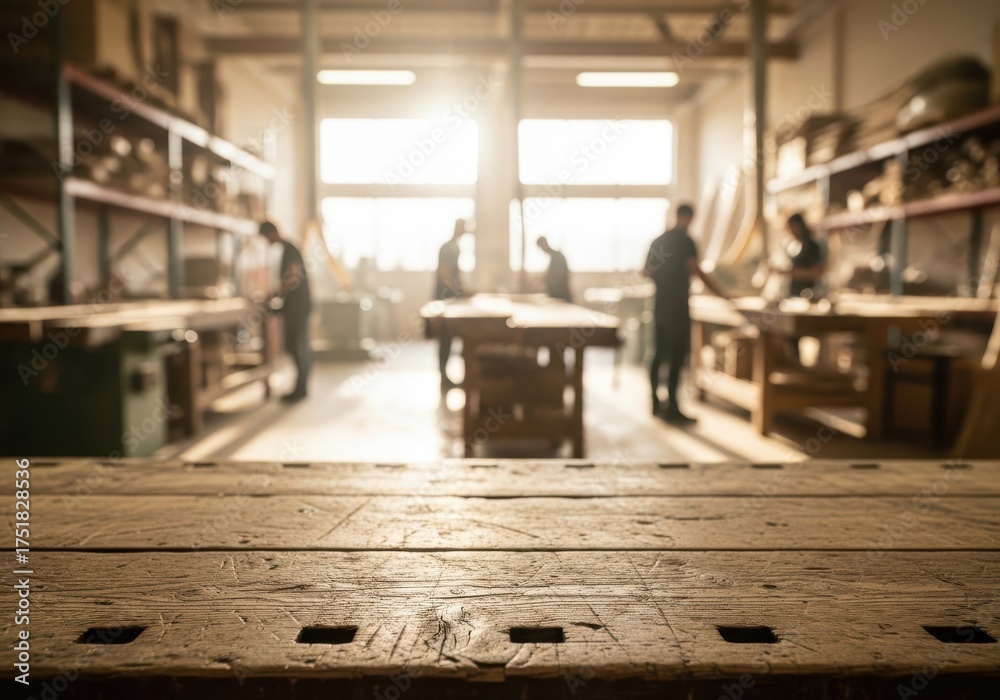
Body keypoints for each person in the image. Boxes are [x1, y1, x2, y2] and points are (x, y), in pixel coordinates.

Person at [643, 204, 728, 424]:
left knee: (659, 353)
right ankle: (672, 407)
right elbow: (695, 270)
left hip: (659, 304)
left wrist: (663, 281)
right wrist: (721, 293)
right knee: (677, 355)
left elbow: (646, 271)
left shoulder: (658, 241)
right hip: (678, 306)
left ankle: (654, 403)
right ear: (690, 217)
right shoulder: (686, 241)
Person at [260, 221, 312, 403]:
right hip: (296, 306)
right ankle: (301, 387)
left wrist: (274, 293)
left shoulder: (289, 249)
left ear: (271, 233)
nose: (266, 241)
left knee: (297, 346)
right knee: (298, 346)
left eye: (265, 237)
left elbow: (293, 278)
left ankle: (300, 389)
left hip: (298, 307)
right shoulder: (288, 249)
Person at [434, 219, 471, 389]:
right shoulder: (447, 247)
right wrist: (457, 291)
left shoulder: (455, 247)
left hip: (451, 298)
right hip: (444, 299)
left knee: (449, 338)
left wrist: (462, 289)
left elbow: (455, 275)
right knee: (445, 337)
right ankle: (443, 376)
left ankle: (445, 376)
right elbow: (445, 273)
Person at [774, 213, 824, 299]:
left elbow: (817, 273)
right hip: (793, 294)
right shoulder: (794, 244)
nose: (791, 231)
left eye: (792, 227)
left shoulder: (811, 246)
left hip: (807, 294)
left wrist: (790, 272)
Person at [537, 236, 572, 302]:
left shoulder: (557, 258)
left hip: (561, 298)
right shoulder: (555, 257)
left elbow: (556, 280)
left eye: (541, 247)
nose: (541, 250)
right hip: (558, 297)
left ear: (544, 245)